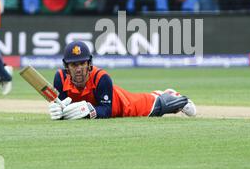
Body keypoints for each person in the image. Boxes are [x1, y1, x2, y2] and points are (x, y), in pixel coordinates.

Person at [48, 41, 197, 120]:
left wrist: (88, 110)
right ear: (67, 66)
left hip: (123, 105)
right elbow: (63, 109)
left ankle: (169, 95)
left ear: (89, 64)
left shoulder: (101, 78)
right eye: (74, 65)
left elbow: (106, 111)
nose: (78, 69)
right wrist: (57, 112)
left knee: (159, 107)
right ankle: (158, 94)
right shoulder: (60, 78)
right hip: (101, 108)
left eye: (82, 63)